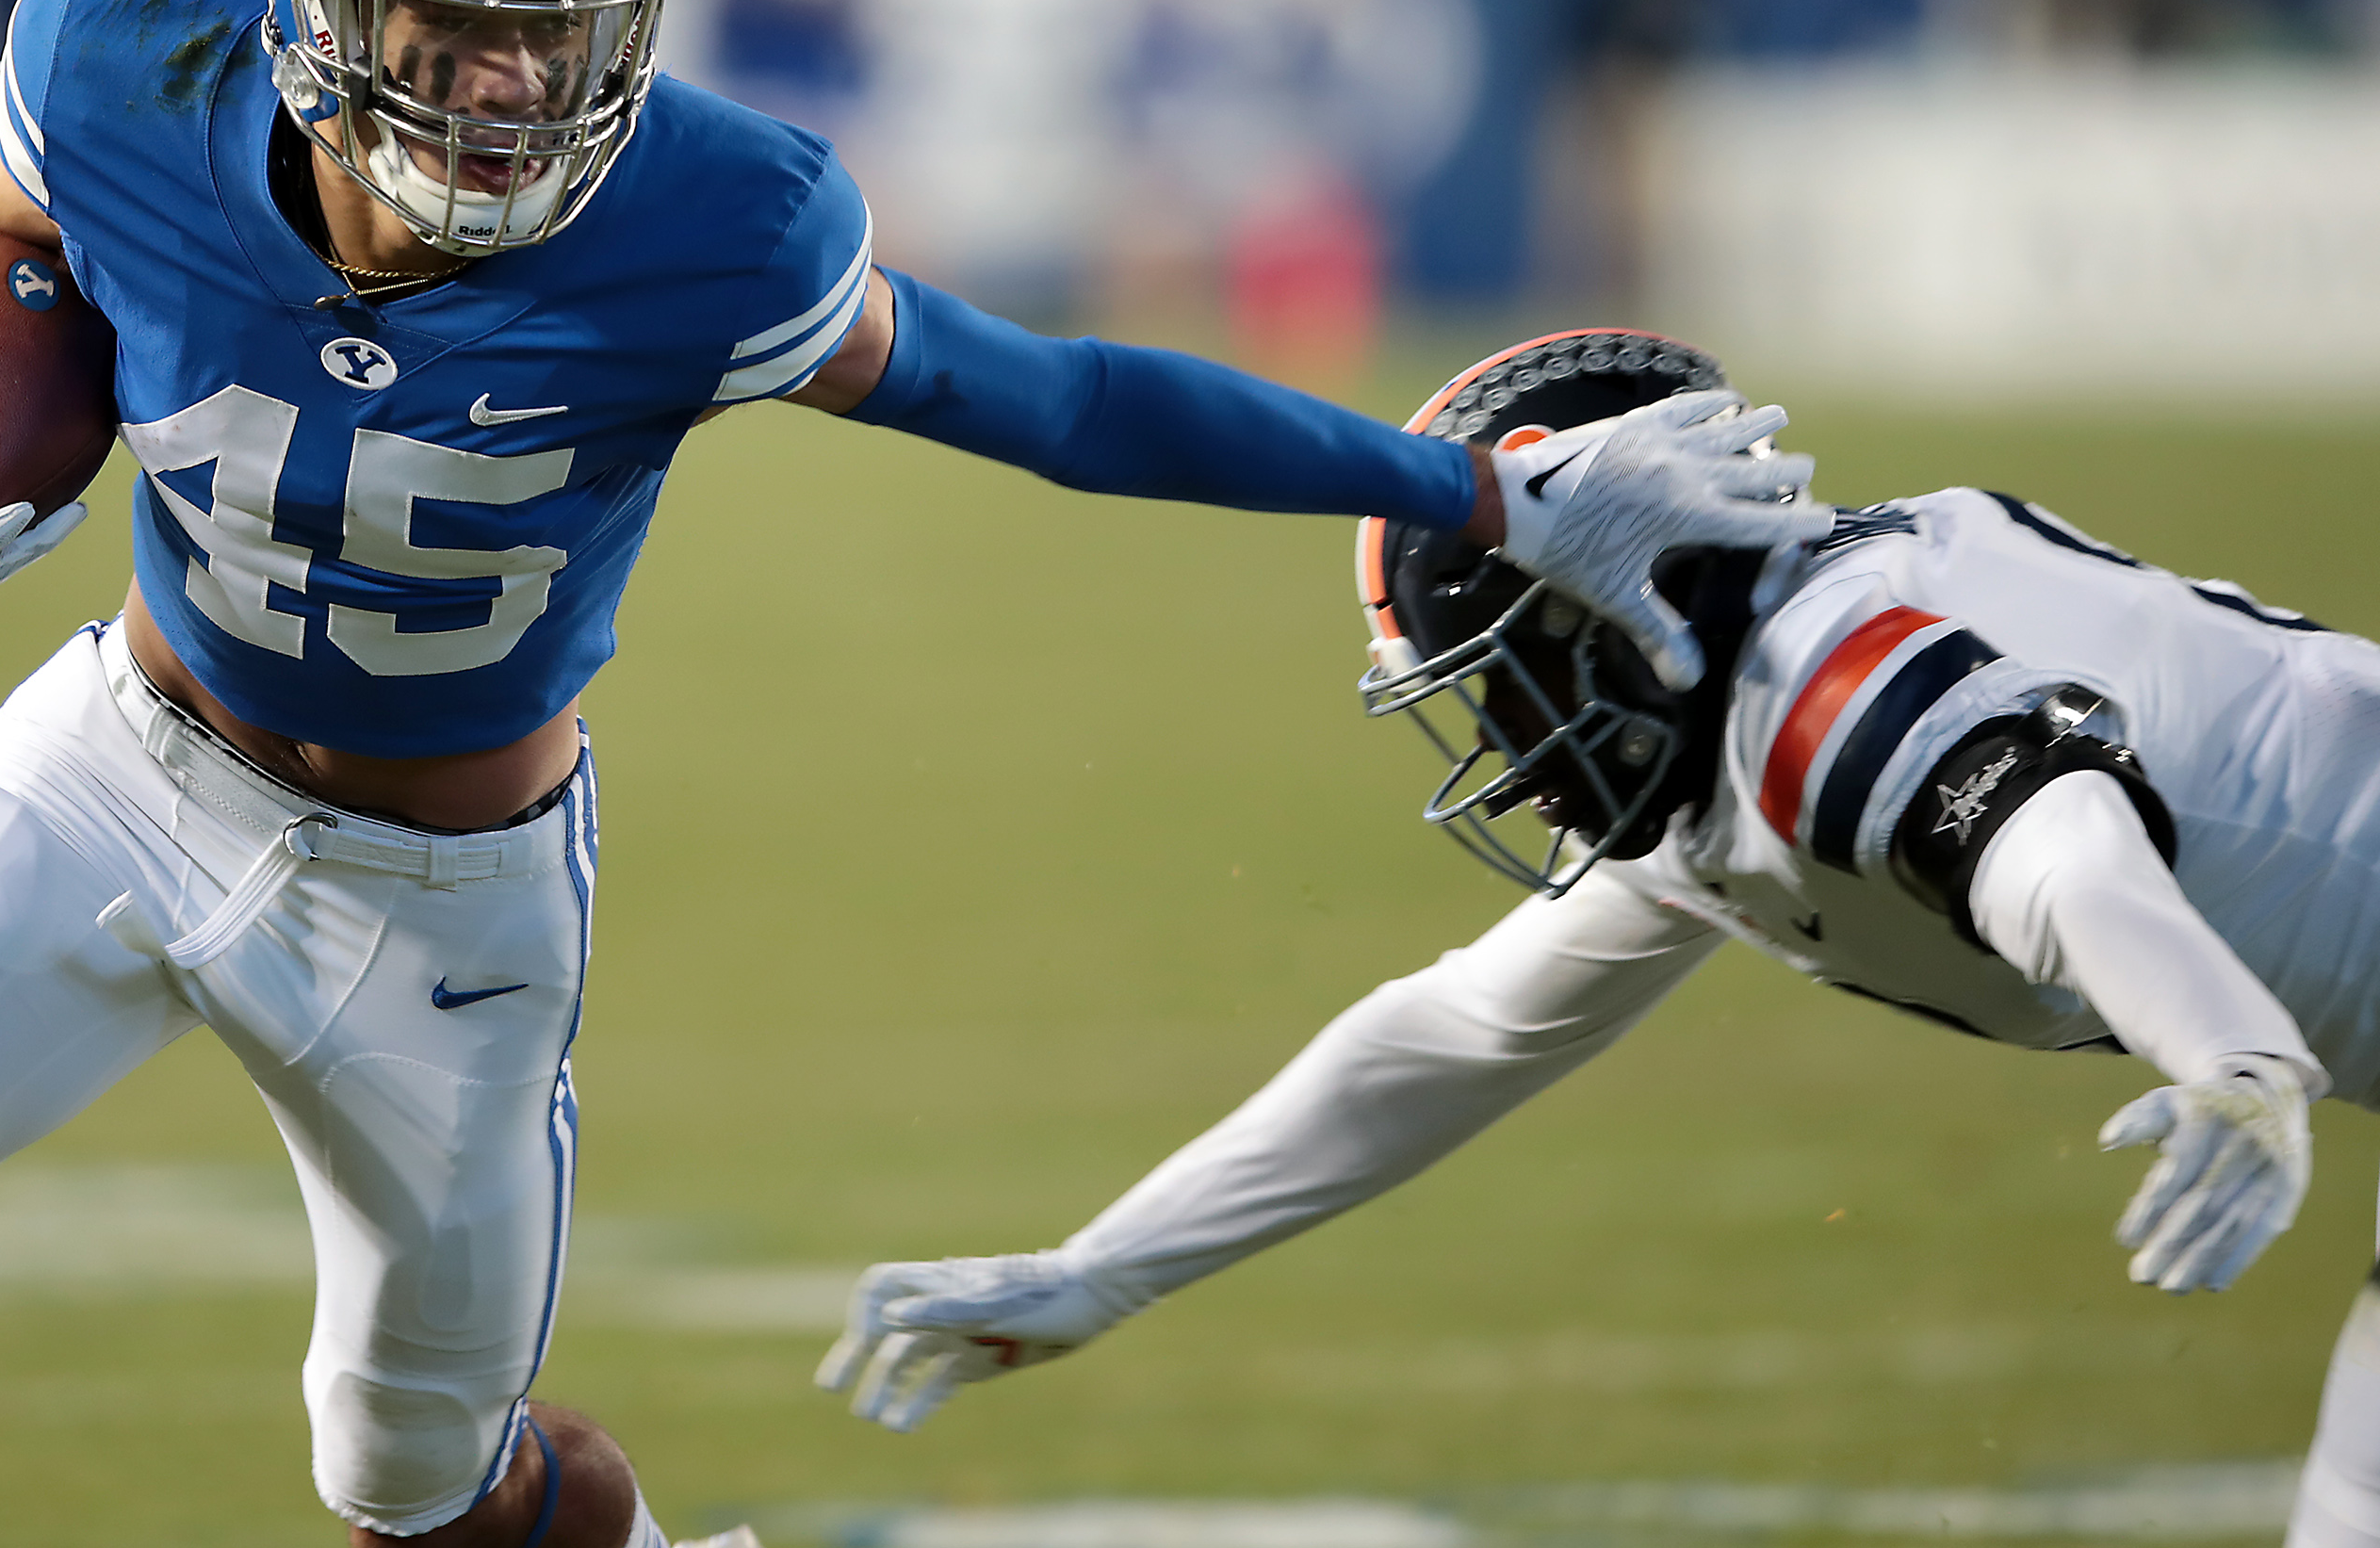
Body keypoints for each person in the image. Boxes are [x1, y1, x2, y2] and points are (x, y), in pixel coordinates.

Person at [0, 0, 1832, 1548]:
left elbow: (1046, 395)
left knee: (423, 1500)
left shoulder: (713, 223)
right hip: (118, 769)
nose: (506, 93)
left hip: (439, 915)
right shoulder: (122, 74)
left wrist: (1472, 488)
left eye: (556, 38)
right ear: (302, 1)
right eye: (450, 30)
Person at [821, 326, 2380, 1548]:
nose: (1501, 736)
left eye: (1502, 674)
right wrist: (1103, 1273)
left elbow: (2059, 847)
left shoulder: (1816, 685)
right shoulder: (1728, 725)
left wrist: (2229, 1057)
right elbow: (1445, 1042)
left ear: (1639, 597)